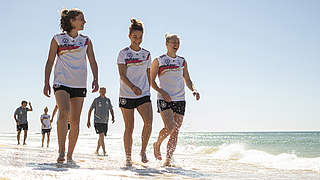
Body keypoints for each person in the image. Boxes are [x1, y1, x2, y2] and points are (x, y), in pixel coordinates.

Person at [43, 8, 99, 163]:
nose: (84, 22)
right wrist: (46, 82)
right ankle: (61, 151)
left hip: (79, 84)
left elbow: (93, 61)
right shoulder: (57, 39)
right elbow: (49, 61)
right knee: (64, 111)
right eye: (81, 19)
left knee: (75, 121)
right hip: (61, 82)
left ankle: (70, 155)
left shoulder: (86, 40)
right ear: (72, 21)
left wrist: (96, 79)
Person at [150, 33, 200, 166]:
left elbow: (187, 79)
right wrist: (161, 92)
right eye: (173, 42)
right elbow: (151, 81)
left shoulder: (182, 61)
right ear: (166, 44)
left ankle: (168, 160)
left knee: (175, 131)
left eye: (177, 42)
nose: (176, 45)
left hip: (180, 99)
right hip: (164, 98)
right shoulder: (159, 60)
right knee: (170, 127)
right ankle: (157, 144)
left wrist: (194, 89)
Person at [117, 18, 153, 166]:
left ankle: (143, 151)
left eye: (140, 37)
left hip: (143, 94)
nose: (137, 40)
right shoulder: (123, 53)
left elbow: (149, 74)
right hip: (127, 94)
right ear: (129, 36)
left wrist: (148, 90)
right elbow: (122, 75)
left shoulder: (147, 54)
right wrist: (133, 87)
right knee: (129, 127)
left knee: (149, 122)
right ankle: (128, 157)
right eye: (134, 36)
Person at [87, 87, 115, 156]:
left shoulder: (108, 100)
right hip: (97, 121)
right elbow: (90, 110)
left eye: (104, 91)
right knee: (101, 135)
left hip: (105, 121)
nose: (103, 92)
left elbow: (111, 109)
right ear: (99, 91)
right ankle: (104, 151)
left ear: (105, 91)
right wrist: (88, 120)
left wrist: (113, 117)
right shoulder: (96, 100)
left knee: (101, 136)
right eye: (101, 91)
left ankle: (96, 151)